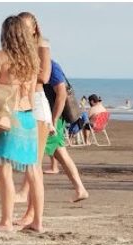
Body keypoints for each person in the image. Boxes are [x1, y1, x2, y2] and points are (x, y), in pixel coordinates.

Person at [0, 15, 43, 233]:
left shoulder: (1, 57)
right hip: (29, 118)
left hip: (9, 117)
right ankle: (38, 222)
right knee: (33, 171)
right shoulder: (33, 60)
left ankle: (6, 221)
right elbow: (33, 92)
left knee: (4, 171)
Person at [42, 59, 89, 202]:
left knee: (39, 154)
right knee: (59, 153)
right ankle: (80, 189)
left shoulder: (51, 66)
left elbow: (61, 94)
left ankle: (25, 192)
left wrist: (54, 120)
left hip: (51, 118)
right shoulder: (39, 64)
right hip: (45, 117)